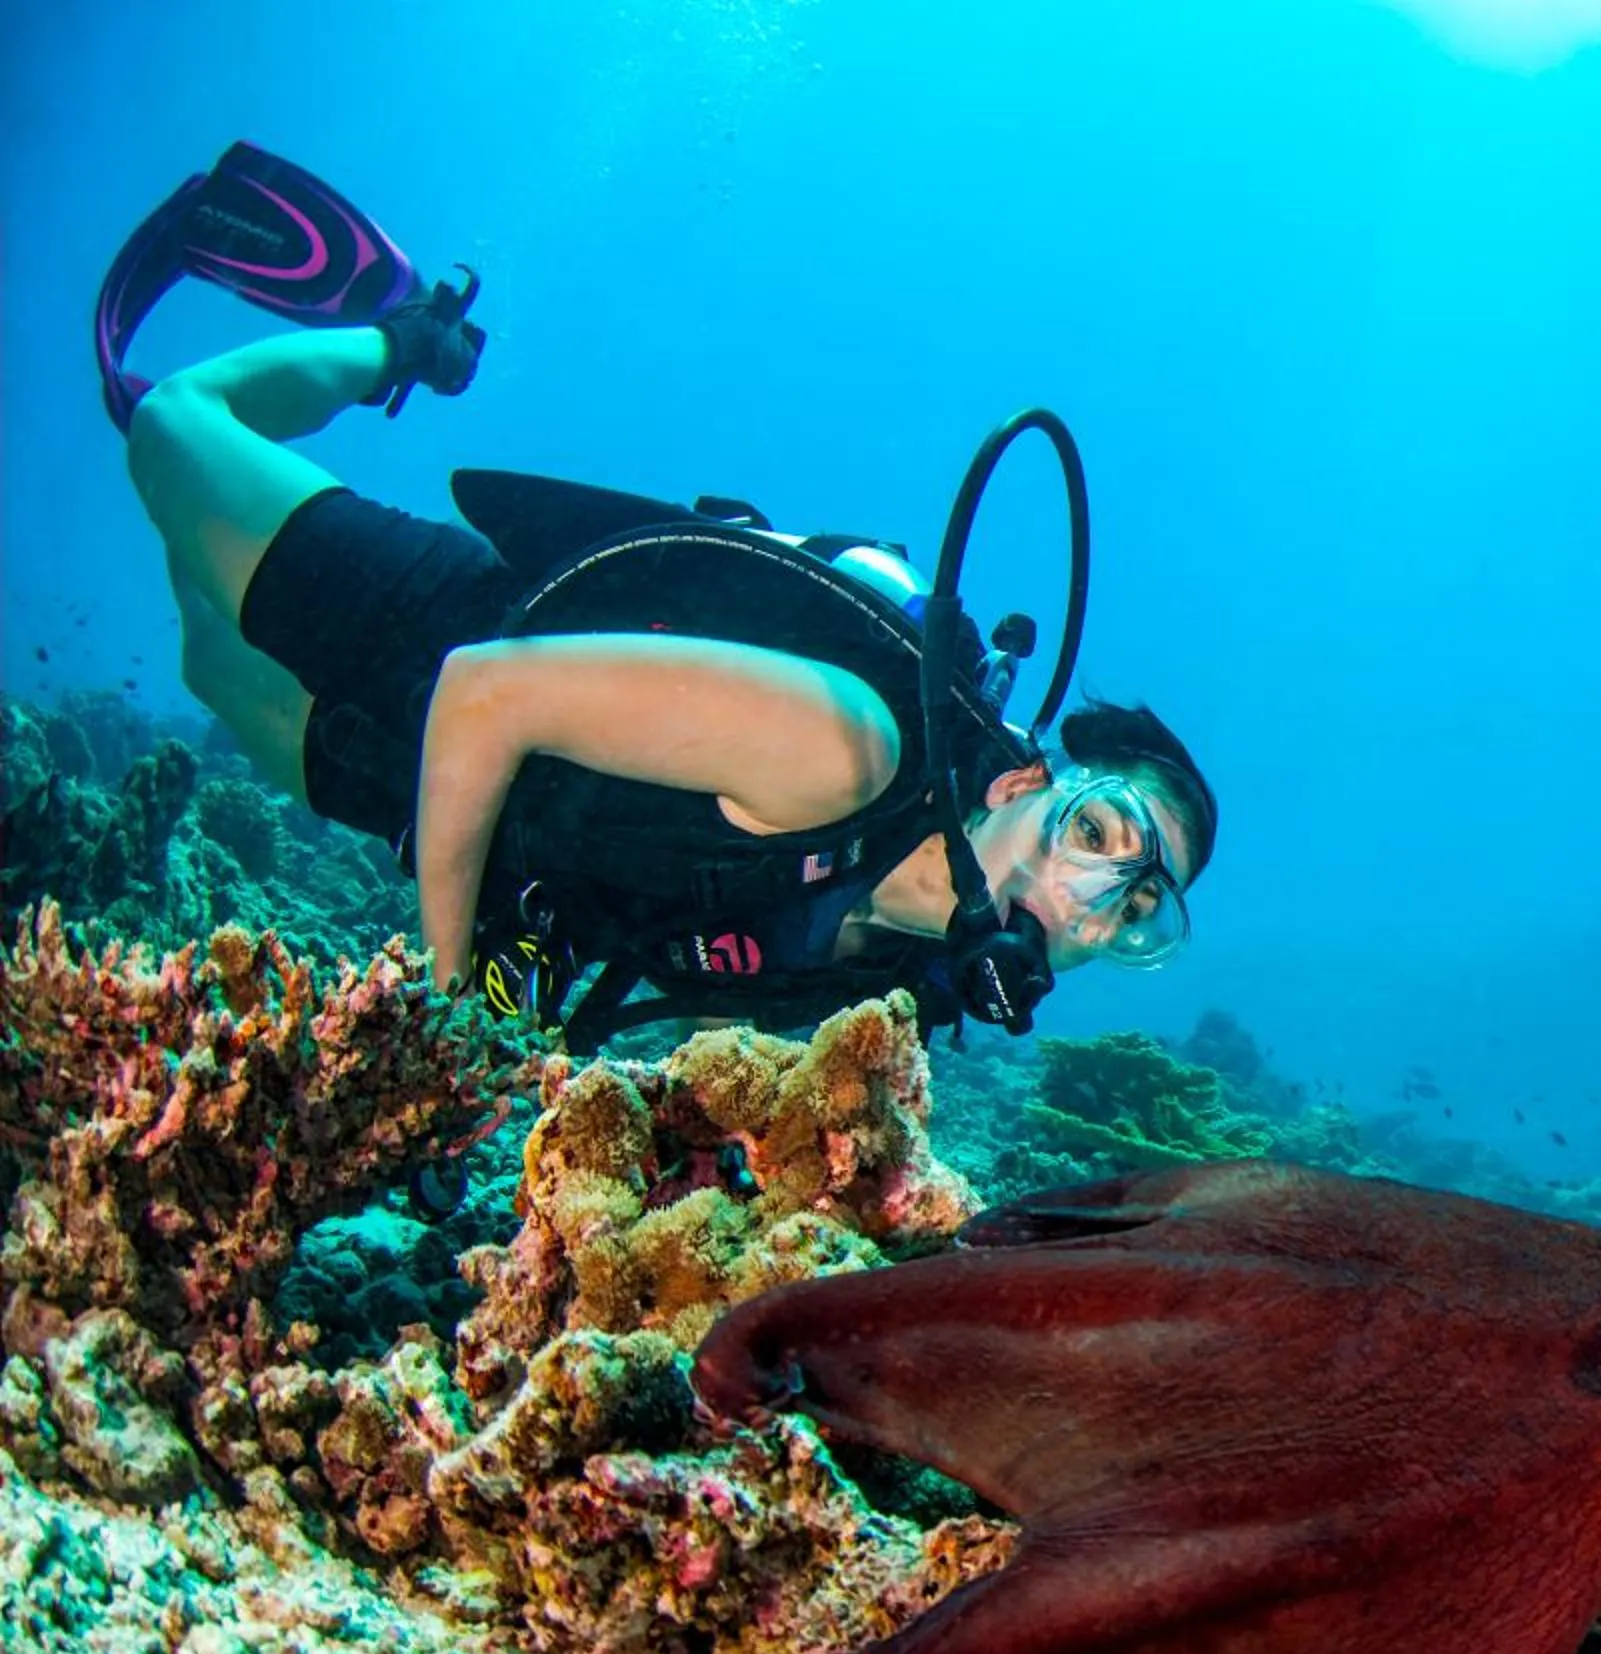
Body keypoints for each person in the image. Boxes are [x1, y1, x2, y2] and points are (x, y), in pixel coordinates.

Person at [99, 143, 1216, 1050]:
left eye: (1135, 912)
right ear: (1024, 782)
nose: (1090, 905)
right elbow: (485, 692)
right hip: (439, 639)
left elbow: (714, 973)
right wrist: (445, 1016)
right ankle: (408, 335)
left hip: (444, 805)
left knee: (206, 658)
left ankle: (262, 488)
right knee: (168, 426)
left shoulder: (903, 969)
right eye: (1097, 832)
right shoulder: (846, 750)